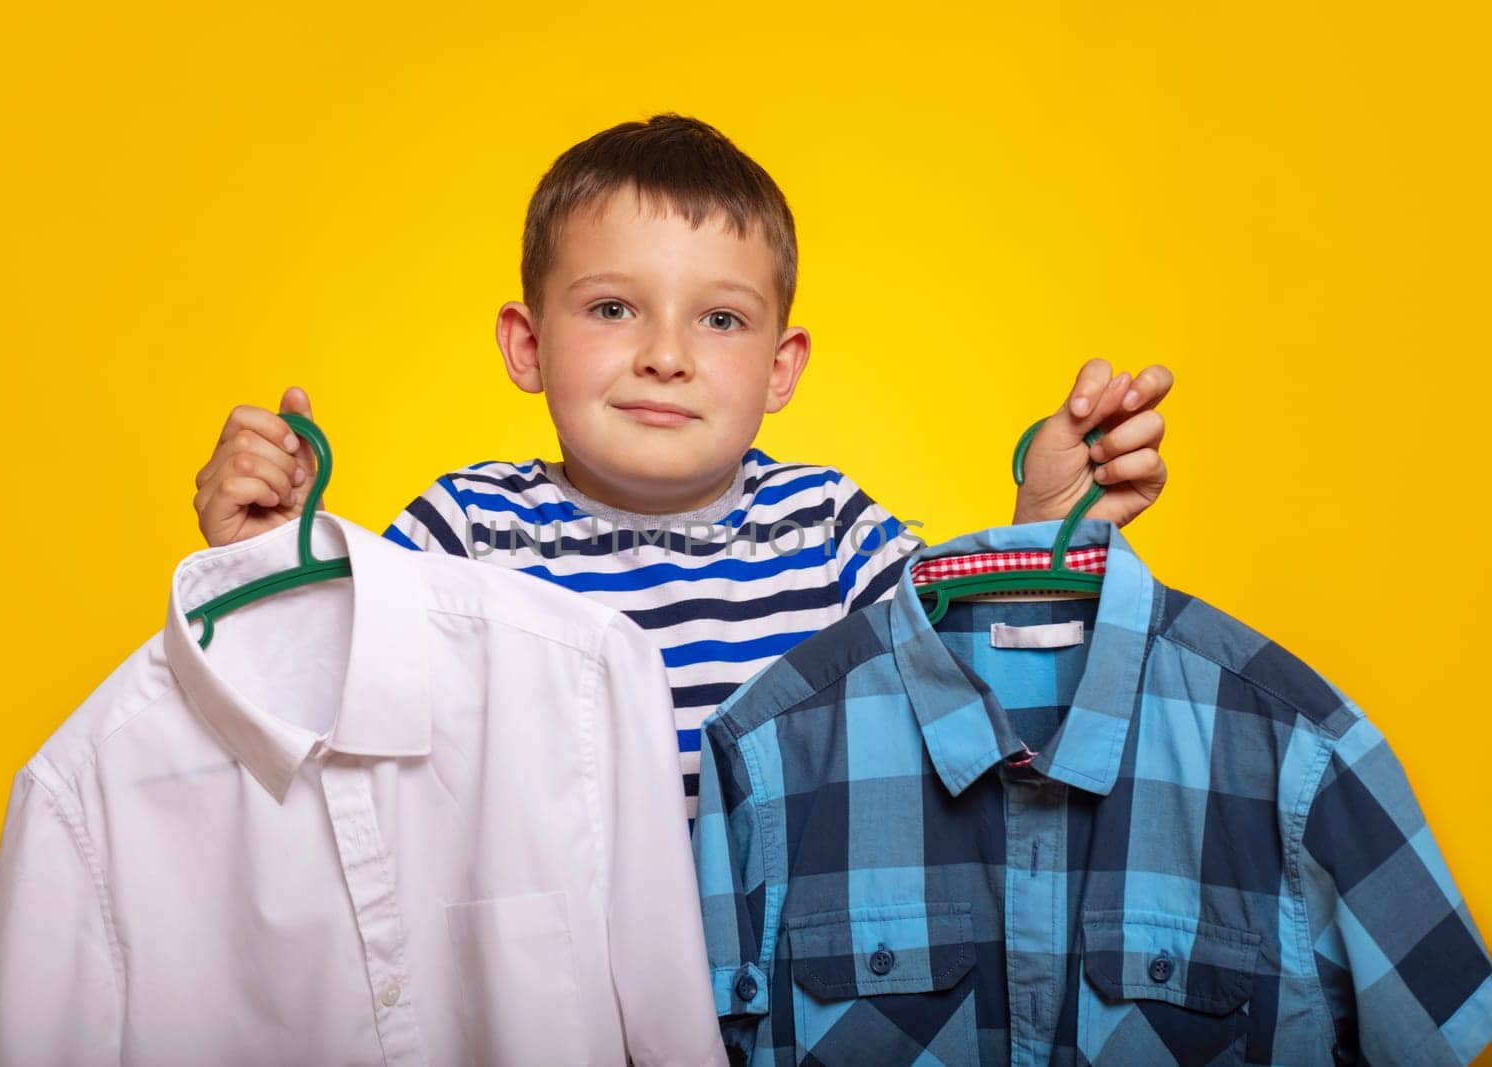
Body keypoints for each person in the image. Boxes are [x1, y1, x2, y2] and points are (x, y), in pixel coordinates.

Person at [190, 114, 1172, 817]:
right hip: (544, 989)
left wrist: (1045, 522)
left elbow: (965, 676)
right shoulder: (467, 528)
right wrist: (266, 561)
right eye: (613, 308)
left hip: (784, 981)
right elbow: (329, 714)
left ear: (780, 367)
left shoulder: (827, 526)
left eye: (720, 318)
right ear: (527, 344)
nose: (667, 353)